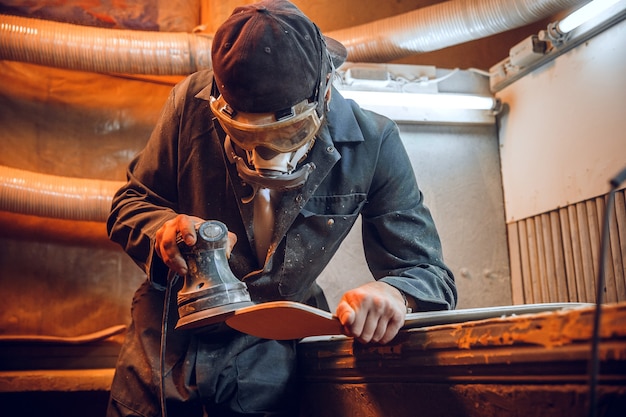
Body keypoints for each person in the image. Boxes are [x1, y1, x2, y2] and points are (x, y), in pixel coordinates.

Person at [106, 0, 457, 415]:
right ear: (221, 101)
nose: (261, 156)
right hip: (169, 336)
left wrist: (395, 293)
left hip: (272, 345)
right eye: (244, 134)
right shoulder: (190, 105)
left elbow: (430, 274)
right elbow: (130, 203)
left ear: (324, 91)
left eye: (284, 133)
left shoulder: (372, 142)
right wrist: (162, 230)